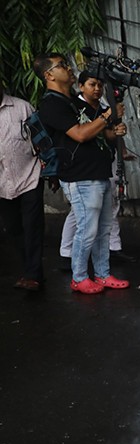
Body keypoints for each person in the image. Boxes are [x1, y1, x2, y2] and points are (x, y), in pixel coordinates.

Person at [33, 53, 130, 294]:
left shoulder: (74, 103)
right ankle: (79, 277)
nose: (68, 68)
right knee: (87, 230)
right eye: (62, 65)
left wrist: (113, 130)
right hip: (79, 176)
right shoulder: (51, 104)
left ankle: (103, 274)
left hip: (98, 171)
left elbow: (99, 134)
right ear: (49, 75)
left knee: (103, 228)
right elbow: (80, 134)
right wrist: (108, 116)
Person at [59, 71, 136, 269]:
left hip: (104, 164)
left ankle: (112, 250)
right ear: (82, 86)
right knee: (79, 214)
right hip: (81, 169)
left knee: (109, 207)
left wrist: (119, 137)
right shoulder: (75, 107)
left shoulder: (104, 107)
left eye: (100, 85)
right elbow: (81, 134)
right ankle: (68, 254)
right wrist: (109, 116)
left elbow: (108, 135)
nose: (97, 89)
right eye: (92, 84)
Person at [0, 83, 44, 291]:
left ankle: (32, 274)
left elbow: (41, 139)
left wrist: (49, 169)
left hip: (30, 176)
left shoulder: (22, 107)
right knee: (13, 227)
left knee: (32, 226)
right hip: (2, 184)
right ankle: (32, 269)